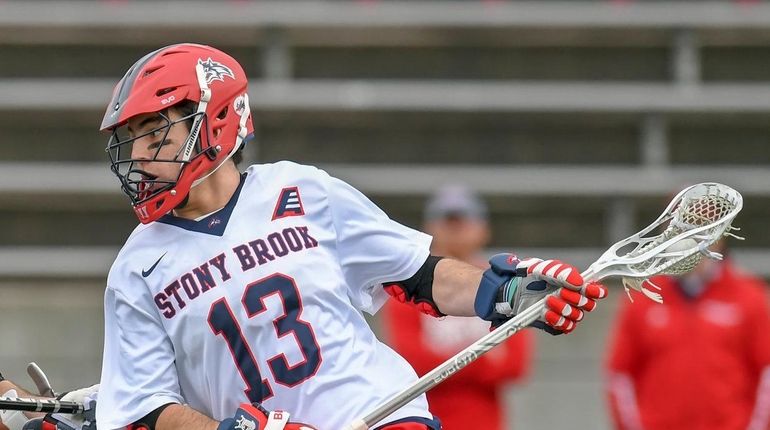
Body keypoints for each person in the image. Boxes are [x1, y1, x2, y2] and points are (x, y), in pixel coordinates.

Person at [93, 43, 608, 430]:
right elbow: (146, 408)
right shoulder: (136, 268)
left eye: (155, 132)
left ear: (216, 122)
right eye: (131, 138)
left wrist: (506, 293)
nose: (138, 155)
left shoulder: (300, 189)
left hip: (376, 412)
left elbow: (418, 276)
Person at [383, 185, 532, 430]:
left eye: (463, 222)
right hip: (426, 418)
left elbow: (515, 365)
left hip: (483, 422)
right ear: (429, 228)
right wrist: (485, 359)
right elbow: (412, 361)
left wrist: (444, 364)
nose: (456, 231)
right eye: (448, 223)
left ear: (483, 229)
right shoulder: (410, 284)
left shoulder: (506, 286)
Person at [605, 241, 770, 430]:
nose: (691, 237)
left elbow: (766, 373)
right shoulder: (643, 296)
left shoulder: (748, 295)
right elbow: (620, 375)